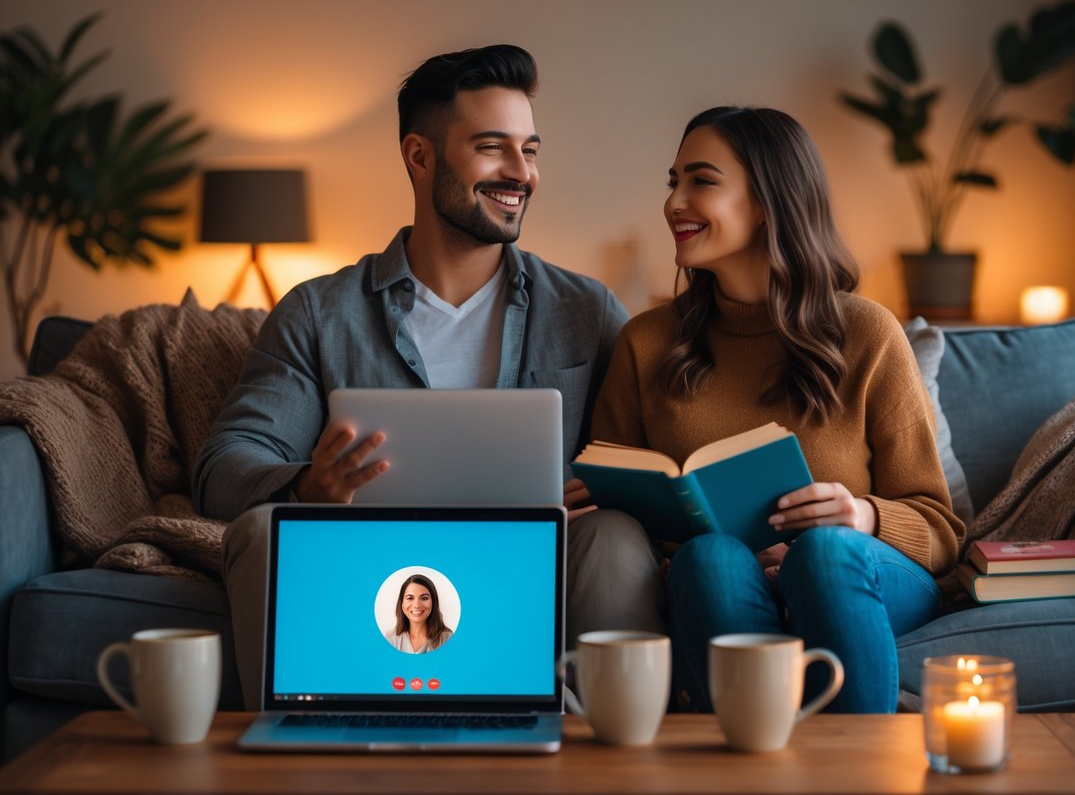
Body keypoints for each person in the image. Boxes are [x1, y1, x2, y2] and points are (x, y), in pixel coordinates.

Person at [194, 45, 657, 710]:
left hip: (529, 560)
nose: (518, 173)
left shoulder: (587, 311)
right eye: (493, 147)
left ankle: (609, 760)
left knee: (615, 536)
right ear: (419, 156)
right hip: (371, 562)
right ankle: (300, 754)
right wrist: (307, 486)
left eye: (529, 150)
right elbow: (225, 467)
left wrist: (606, 488)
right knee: (265, 529)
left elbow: (642, 458)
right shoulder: (320, 313)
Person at [583, 106, 966, 713]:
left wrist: (861, 516)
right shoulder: (646, 342)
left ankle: (857, 768)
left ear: (768, 201)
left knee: (823, 552)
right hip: (718, 583)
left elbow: (941, 531)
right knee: (711, 558)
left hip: (857, 576)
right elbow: (619, 504)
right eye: (672, 182)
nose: (673, 202)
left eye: (701, 181)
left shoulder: (867, 333)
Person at [385, 574, 453, 654]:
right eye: (410, 598)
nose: (417, 605)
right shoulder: (390, 639)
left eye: (424, 598)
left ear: (433, 603)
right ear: (402, 604)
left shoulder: (448, 639)